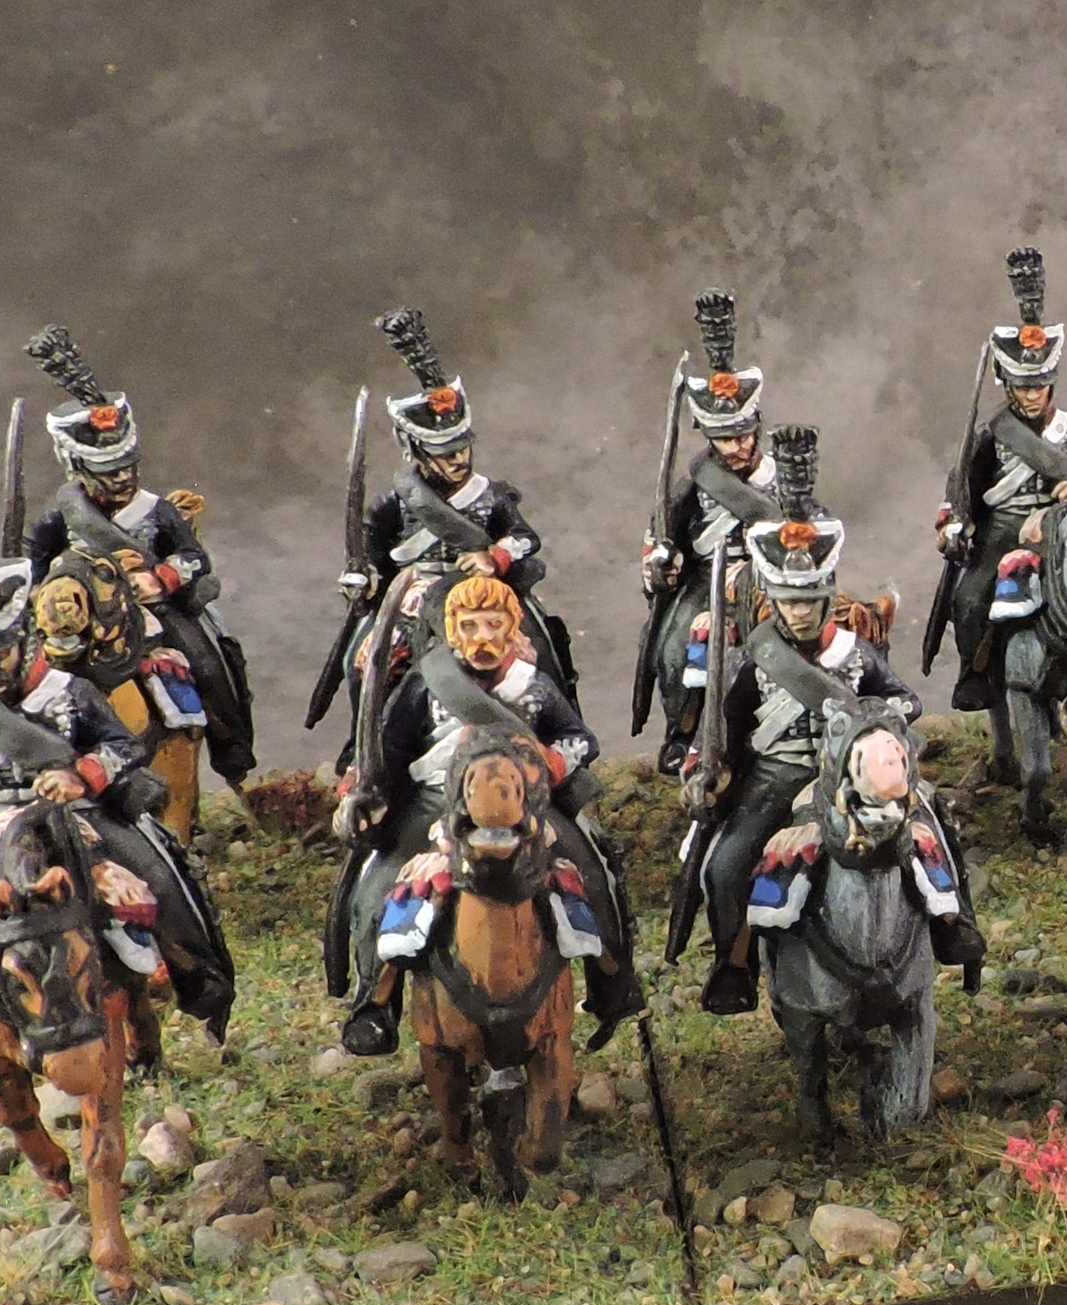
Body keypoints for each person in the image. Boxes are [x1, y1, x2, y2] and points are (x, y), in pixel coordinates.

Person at [0, 464, 233, 1078]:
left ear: (22, 637)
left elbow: (122, 746)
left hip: (76, 817)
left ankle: (194, 969)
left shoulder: (70, 692)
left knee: (160, 869)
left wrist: (82, 777)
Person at [692, 426, 945, 1012]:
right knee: (724, 867)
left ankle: (954, 923)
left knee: (935, 832)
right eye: (789, 601)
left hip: (854, 776)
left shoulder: (856, 654)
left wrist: (879, 723)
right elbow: (725, 730)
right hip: (777, 777)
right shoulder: (756, 661)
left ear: (827, 597)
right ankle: (734, 962)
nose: (800, 613)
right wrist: (707, 769)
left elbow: (905, 700)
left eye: (809, 601)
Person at [331, 574, 637, 1055]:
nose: (483, 637)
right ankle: (374, 1001)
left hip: (527, 805)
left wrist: (551, 762)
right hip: (435, 802)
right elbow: (389, 748)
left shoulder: (533, 687)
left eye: (494, 624)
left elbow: (579, 739)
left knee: (593, 874)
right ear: (453, 630)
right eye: (470, 625)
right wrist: (365, 793)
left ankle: (613, 983)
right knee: (376, 888)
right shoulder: (424, 685)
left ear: (511, 627)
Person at [19, 325, 257, 784]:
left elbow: (193, 557)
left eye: (127, 466)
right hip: (80, 615)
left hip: (153, 611)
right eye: (109, 471)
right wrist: (43, 597)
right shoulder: (60, 514)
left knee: (209, 663)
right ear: (78, 467)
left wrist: (161, 578)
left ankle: (231, 747)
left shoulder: (155, 509)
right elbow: (32, 562)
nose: (123, 478)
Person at [342, 307, 578, 734]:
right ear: (416, 450)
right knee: (364, 661)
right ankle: (366, 741)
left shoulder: (491, 494)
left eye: (462, 448)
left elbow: (525, 538)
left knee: (545, 641)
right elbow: (373, 554)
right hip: (416, 595)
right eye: (444, 452)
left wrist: (495, 557)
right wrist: (365, 580)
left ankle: (559, 729)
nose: (458, 459)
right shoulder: (393, 503)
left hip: (484, 590)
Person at [937, 247, 1067, 777]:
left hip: (1061, 528)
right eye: (1022, 386)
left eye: (1039, 385)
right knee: (970, 598)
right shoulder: (992, 436)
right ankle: (976, 676)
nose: (1032, 394)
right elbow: (962, 488)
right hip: (1003, 529)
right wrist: (952, 524)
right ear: (1008, 385)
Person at [641, 288, 775, 772]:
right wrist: (661, 560)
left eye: (742, 435)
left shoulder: (780, 480)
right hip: (706, 578)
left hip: (770, 575)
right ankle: (683, 732)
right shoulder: (693, 486)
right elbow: (662, 536)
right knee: (676, 647)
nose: (736, 447)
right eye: (724, 438)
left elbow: (807, 523)